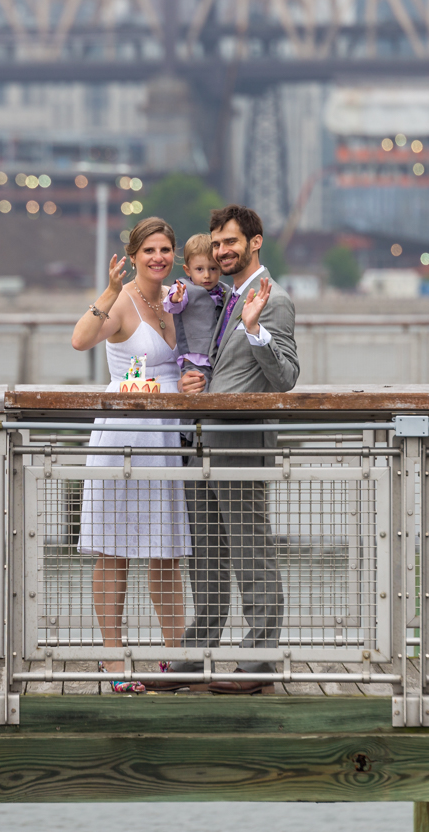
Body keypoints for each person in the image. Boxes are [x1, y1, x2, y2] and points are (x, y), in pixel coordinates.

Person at [144, 205, 299, 695]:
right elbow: (220, 368)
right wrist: (197, 381)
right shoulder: (223, 297)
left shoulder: (273, 301)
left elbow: (286, 378)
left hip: (241, 446)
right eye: (216, 244)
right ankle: (198, 656)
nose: (221, 251)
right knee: (206, 557)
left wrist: (255, 331)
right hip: (201, 440)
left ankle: (259, 662)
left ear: (255, 242)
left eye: (230, 242)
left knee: (251, 553)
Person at [69, 216, 191, 693]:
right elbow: (80, 339)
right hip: (125, 432)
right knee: (113, 549)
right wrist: (107, 292)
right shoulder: (122, 302)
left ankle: (173, 659)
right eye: (149, 251)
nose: (158, 258)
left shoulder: (177, 301)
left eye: (165, 250)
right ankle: (113, 657)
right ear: (134, 255)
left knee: (166, 553)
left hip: (168, 436)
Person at [162, 232, 225, 376]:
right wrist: (176, 298)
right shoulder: (184, 289)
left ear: (221, 269)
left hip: (220, 360)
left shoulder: (224, 291)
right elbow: (172, 306)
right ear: (187, 270)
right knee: (198, 393)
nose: (207, 275)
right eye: (199, 269)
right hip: (195, 360)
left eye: (213, 269)